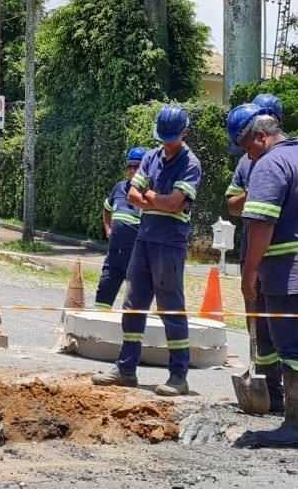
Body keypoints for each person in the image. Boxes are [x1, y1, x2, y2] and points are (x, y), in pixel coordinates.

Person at [230, 103, 298, 449]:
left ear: (261, 137)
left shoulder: (269, 164)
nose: (247, 155)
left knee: (294, 348)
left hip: (292, 272)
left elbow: (260, 224)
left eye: (247, 146)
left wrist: (250, 273)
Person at [92, 105, 202, 397]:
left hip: (169, 242)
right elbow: (132, 192)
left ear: (184, 134)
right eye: (163, 137)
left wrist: (150, 197)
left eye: (171, 138)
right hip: (145, 238)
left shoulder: (190, 164)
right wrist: (158, 199)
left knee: (171, 308)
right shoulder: (152, 157)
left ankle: (179, 375)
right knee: (134, 303)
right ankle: (126, 368)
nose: (166, 143)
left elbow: (174, 203)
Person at [225, 93, 286, 415]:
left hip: (282, 254)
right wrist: (257, 193)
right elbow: (232, 204)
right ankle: (265, 380)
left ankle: (287, 391)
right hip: (252, 245)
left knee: (283, 322)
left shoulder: (286, 159)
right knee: (257, 318)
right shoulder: (246, 162)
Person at [95, 147, 146, 309]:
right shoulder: (119, 188)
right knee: (103, 295)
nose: (132, 170)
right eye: (129, 166)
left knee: (134, 304)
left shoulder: (150, 194)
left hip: (137, 258)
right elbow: (107, 208)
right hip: (114, 256)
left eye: (136, 166)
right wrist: (108, 229)